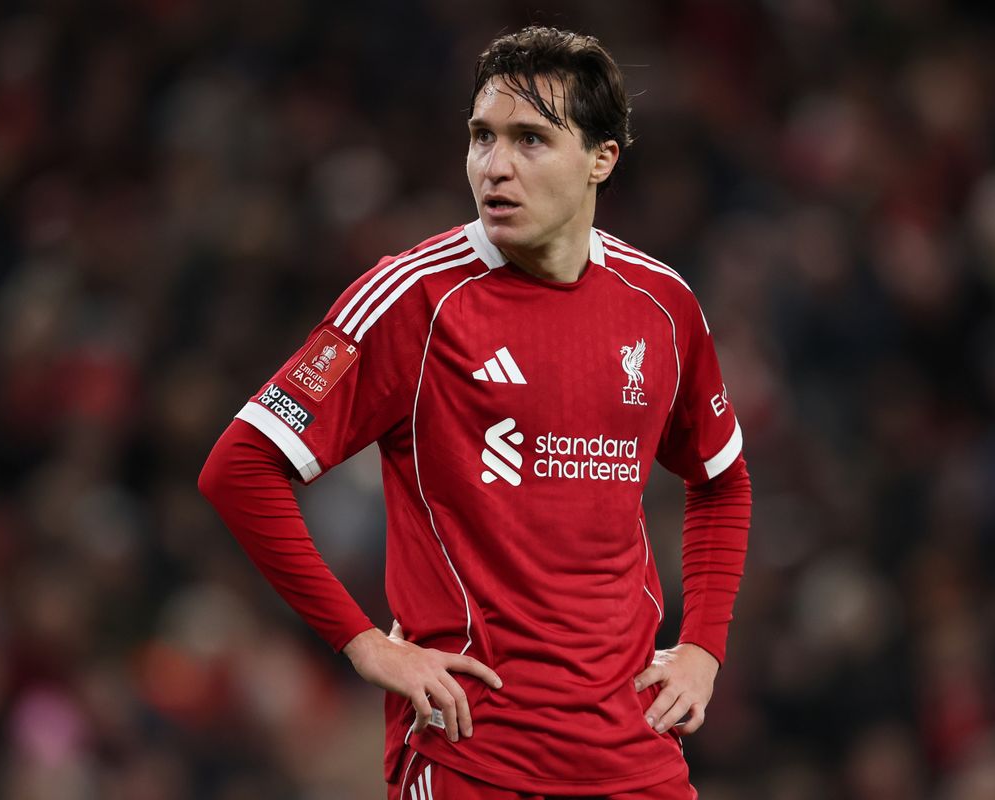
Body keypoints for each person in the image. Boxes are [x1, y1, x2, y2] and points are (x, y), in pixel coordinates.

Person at [199, 25, 752, 800]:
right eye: (482, 138)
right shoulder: (412, 299)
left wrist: (703, 648)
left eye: (530, 140)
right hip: (473, 754)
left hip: (632, 753)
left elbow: (721, 480)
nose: (495, 167)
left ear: (602, 159)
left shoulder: (661, 306)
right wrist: (363, 644)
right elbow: (239, 466)